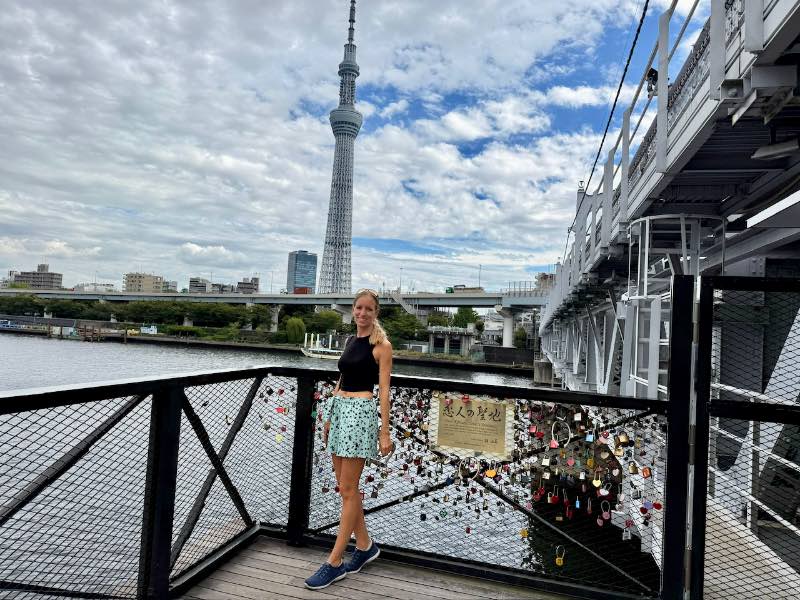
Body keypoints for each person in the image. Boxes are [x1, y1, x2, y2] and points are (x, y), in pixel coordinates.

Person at [304, 288, 394, 590]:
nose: (363, 313)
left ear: (376, 312)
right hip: (340, 410)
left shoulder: (382, 346)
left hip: (360, 413)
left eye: (369, 309)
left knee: (350, 488)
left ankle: (335, 561)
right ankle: (366, 546)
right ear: (353, 311)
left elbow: (384, 391)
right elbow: (341, 378)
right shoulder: (350, 340)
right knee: (345, 489)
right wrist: (329, 416)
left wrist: (385, 431)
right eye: (358, 308)